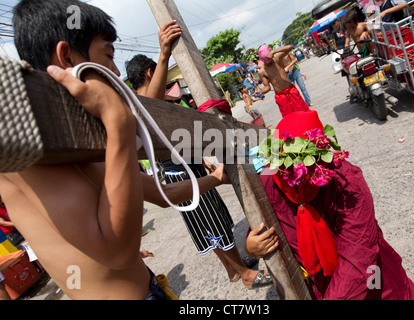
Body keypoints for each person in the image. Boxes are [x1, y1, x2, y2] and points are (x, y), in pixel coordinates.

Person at [1, 0, 232, 300]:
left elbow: (164, 195)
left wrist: (216, 178)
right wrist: (117, 119)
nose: (115, 71)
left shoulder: (82, 141)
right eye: (108, 55)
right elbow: (118, 252)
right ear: (67, 57)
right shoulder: (30, 149)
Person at [126, 56, 272, 288]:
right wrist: (164, 54)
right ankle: (244, 273)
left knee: (208, 227)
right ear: (150, 73)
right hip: (182, 176)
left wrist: (202, 160)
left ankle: (231, 270)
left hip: (185, 169)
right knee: (215, 225)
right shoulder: (144, 103)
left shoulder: (148, 102)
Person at [245, 110, 414, 300]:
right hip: (319, 284)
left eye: (303, 165)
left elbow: (358, 254)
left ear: (320, 157)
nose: (295, 174)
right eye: (286, 164)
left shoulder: (345, 181)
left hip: (369, 277)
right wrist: (251, 246)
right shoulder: (273, 178)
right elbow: (259, 223)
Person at [257, 44, 310, 118]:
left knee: (303, 113)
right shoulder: (262, 72)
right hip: (281, 96)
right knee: (289, 118)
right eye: (266, 59)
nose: (269, 60)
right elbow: (267, 87)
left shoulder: (277, 60)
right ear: (262, 60)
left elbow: (289, 47)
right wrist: (262, 91)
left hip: (291, 90)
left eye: (269, 58)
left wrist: (274, 51)